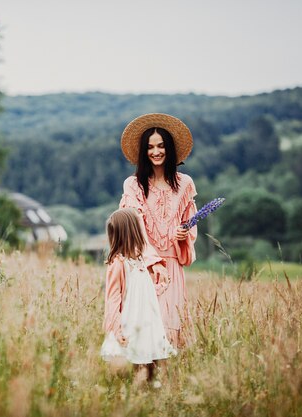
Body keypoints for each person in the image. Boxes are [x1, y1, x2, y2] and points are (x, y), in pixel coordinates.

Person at [119, 113, 197, 348]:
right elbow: (133, 228)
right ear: (144, 152)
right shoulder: (132, 185)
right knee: (145, 326)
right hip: (144, 265)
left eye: (161, 146)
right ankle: (143, 380)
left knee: (169, 324)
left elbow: (190, 225)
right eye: (150, 147)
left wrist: (183, 237)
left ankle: (170, 381)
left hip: (172, 266)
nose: (156, 152)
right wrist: (152, 260)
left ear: (169, 149)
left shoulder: (185, 184)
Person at [100, 208, 176, 382]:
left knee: (149, 360)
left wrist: (161, 287)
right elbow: (112, 299)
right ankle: (126, 392)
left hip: (147, 321)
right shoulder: (118, 263)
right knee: (129, 362)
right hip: (129, 322)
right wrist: (116, 329)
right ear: (133, 233)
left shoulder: (140, 261)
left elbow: (143, 293)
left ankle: (149, 391)